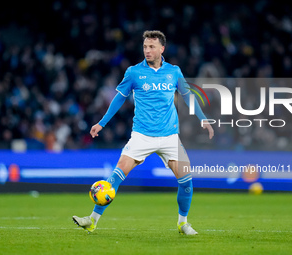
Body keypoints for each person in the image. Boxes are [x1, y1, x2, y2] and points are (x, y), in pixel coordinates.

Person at [72, 30, 214, 235]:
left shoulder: (174, 72)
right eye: (145, 47)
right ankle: (92, 220)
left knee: (186, 182)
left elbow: (188, 96)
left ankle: (183, 223)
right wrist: (102, 123)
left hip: (169, 137)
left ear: (162, 49)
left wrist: (203, 119)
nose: (147, 50)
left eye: (152, 47)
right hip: (142, 135)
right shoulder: (133, 72)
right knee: (117, 174)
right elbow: (119, 98)